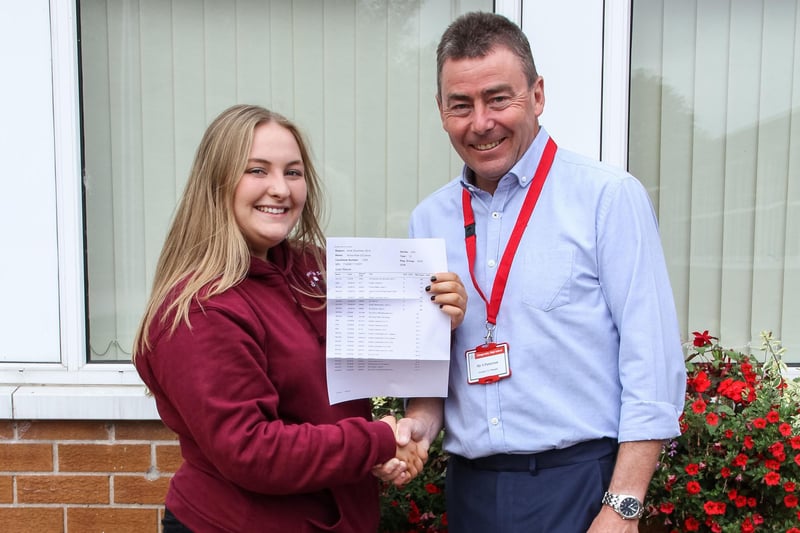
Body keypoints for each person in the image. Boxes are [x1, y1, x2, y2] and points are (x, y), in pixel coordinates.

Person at [393, 12, 686, 532]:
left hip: (581, 487)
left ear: (538, 95)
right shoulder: (429, 220)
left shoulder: (608, 198)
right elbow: (434, 371)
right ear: (441, 112)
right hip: (472, 492)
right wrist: (417, 428)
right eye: (461, 105)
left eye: (498, 98)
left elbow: (652, 362)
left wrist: (622, 507)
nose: (480, 122)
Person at [133, 104, 466, 533]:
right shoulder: (201, 309)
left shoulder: (316, 270)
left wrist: (440, 314)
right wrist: (378, 440)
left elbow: (394, 348)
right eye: (257, 170)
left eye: (293, 172)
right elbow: (252, 451)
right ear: (216, 182)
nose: (281, 189)